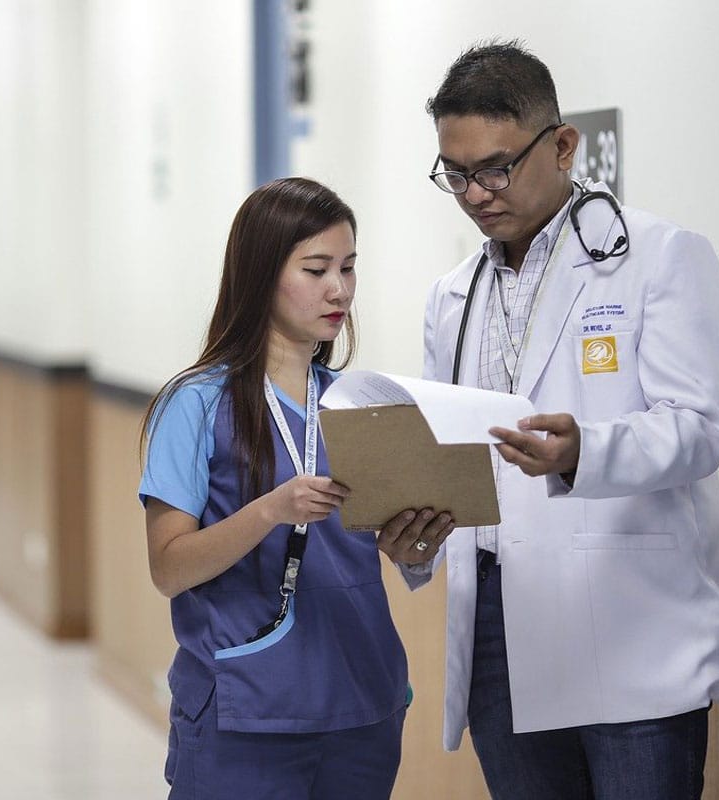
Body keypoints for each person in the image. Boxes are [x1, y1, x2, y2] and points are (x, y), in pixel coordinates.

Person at [400, 40, 719, 799]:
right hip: (496, 626)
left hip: (628, 626)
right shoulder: (451, 297)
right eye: (454, 175)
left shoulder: (658, 257)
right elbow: (446, 449)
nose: (475, 193)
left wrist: (584, 451)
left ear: (562, 146)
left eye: (495, 167)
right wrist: (413, 533)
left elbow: (699, 427)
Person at [138, 177, 452, 799]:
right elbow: (169, 569)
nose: (339, 289)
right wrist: (271, 511)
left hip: (361, 706)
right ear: (260, 275)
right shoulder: (197, 404)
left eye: (349, 268)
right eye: (316, 269)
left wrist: (415, 546)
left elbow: (387, 554)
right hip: (244, 710)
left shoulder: (361, 403)